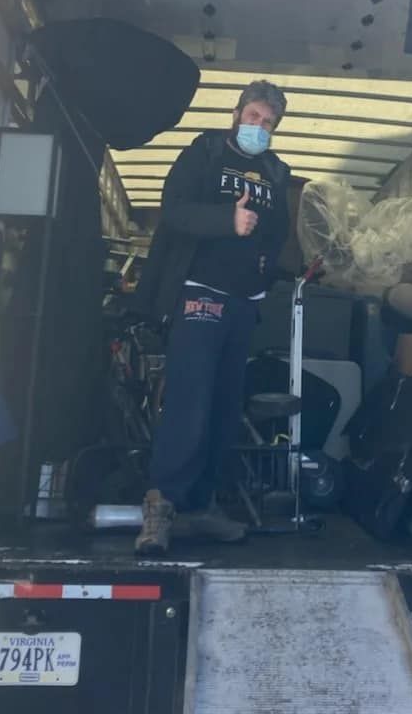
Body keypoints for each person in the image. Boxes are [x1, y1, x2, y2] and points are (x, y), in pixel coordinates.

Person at [134, 80, 290, 554]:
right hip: (200, 295)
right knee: (190, 403)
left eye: (268, 123)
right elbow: (174, 210)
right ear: (238, 112)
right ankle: (160, 509)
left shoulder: (275, 171)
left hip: (244, 304)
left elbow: (278, 230)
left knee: (225, 408)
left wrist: (268, 266)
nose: (258, 127)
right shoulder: (204, 153)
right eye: (253, 116)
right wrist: (228, 221)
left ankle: (202, 507)